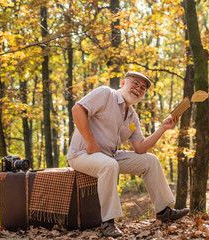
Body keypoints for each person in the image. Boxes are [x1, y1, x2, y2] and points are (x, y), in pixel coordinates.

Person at [66, 71, 189, 238]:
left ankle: (163, 211)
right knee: (109, 165)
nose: (138, 89)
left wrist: (163, 128)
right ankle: (108, 222)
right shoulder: (105, 93)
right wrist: (91, 142)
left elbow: (140, 148)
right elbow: (77, 109)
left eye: (142, 88)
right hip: (81, 154)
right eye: (135, 83)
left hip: (110, 156)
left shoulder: (132, 116)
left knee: (150, 160)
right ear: (123, 83)